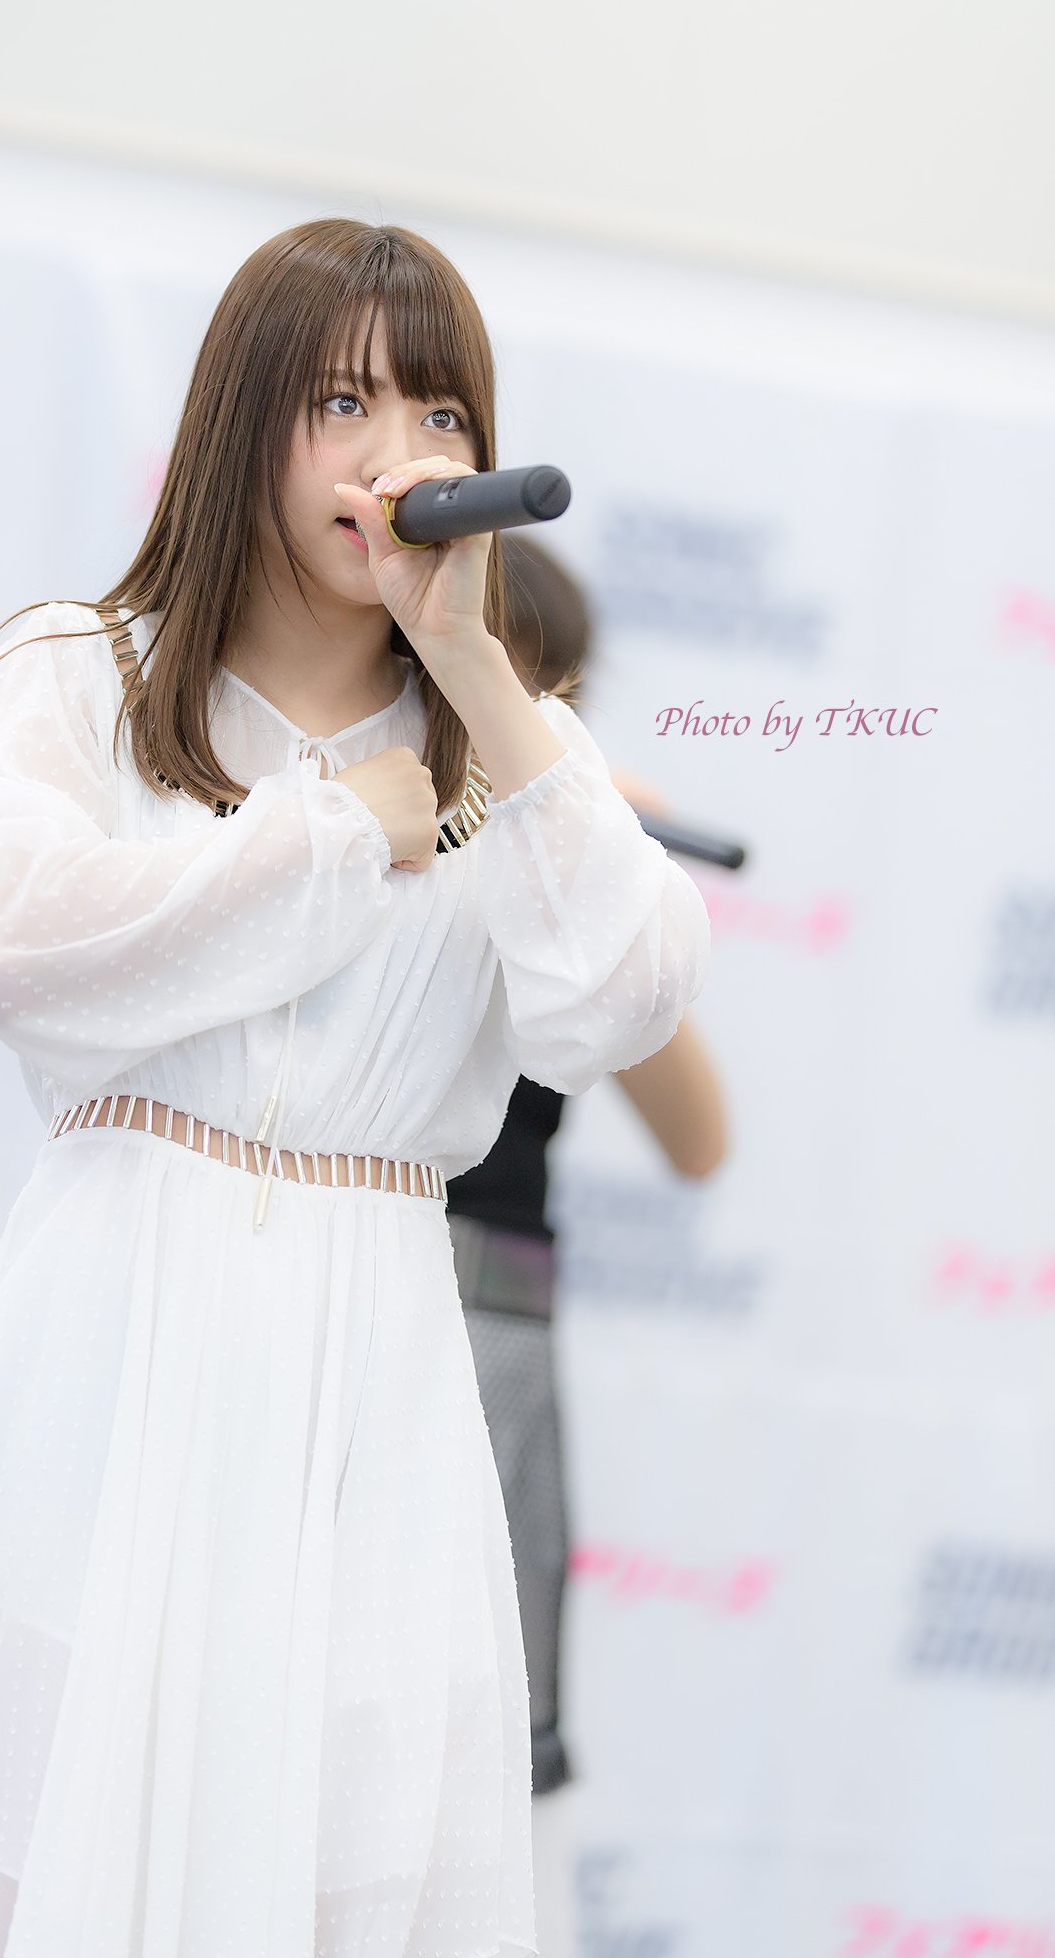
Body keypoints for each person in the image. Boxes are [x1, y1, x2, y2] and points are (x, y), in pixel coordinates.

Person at [0, 218, 713, 1958]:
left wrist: (477, 675)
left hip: (377, 1384)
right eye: (343, 402)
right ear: (243, 421)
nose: (396, 454)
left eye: (438, 411)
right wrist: (326, 838)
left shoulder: (504, 748)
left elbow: (625, 995)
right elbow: (15, 949)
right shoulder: (81, 673)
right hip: (112, 1351)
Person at [445, 534, 727, 1953]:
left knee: (467, 1750)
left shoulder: (571, 860)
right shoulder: (345, 816)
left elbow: (699, 1139)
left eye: (557, 699)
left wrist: (608, 883)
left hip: (491, 1336)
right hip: (325, 1287)